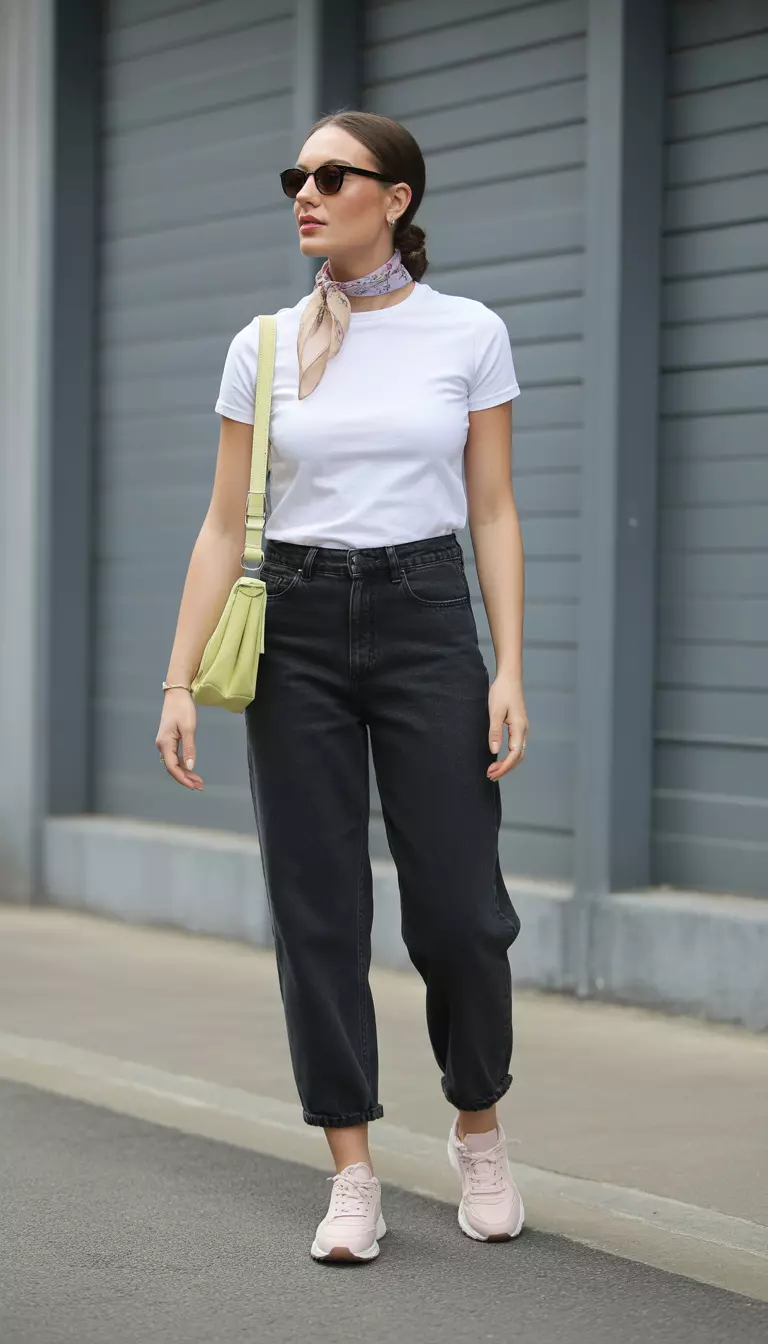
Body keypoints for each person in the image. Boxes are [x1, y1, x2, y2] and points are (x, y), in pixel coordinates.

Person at [156, 110, 529, 1264]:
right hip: (297, 627)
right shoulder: (265, 344)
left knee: (463, 915)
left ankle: (478, 1126)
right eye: (296, 178)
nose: (305, 194)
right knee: (316, 911)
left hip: (426, 620)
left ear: (396, 198)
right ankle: (353, 1170)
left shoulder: (469, 332)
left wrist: (510, 664)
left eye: (332, 175)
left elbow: (493, 510)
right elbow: (221, 524)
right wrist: (177, 678)